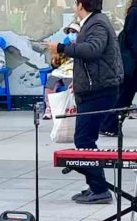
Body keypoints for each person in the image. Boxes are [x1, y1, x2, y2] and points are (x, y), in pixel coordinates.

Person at [48, 0, 123, 204]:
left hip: (99, 91)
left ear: (80, 5)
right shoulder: (94, 22)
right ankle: (95, 186)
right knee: (84, 140)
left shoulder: (97, 23)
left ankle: (100, 190)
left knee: (84, 141)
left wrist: (62, 47)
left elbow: (92, 50)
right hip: (92, 88)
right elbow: (88, 59)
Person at [100, 0, 137, 136]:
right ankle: (108, 125)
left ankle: (109, 125)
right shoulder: (135, 12)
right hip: (131, 63)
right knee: (124, 95)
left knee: (125, 95)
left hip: (131, 62)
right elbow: (133, 39)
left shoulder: (133, 11)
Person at [43, 23, 79, 120]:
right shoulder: (65, 47)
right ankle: (49, 109)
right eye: (70, 32)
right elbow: (56, 63)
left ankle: (69, 109)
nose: (71, 34)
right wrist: (55, 55)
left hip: (74, 72)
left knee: (70, 85)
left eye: (74, 32)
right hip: (61, 71)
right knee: (51, 82)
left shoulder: (83, 46)